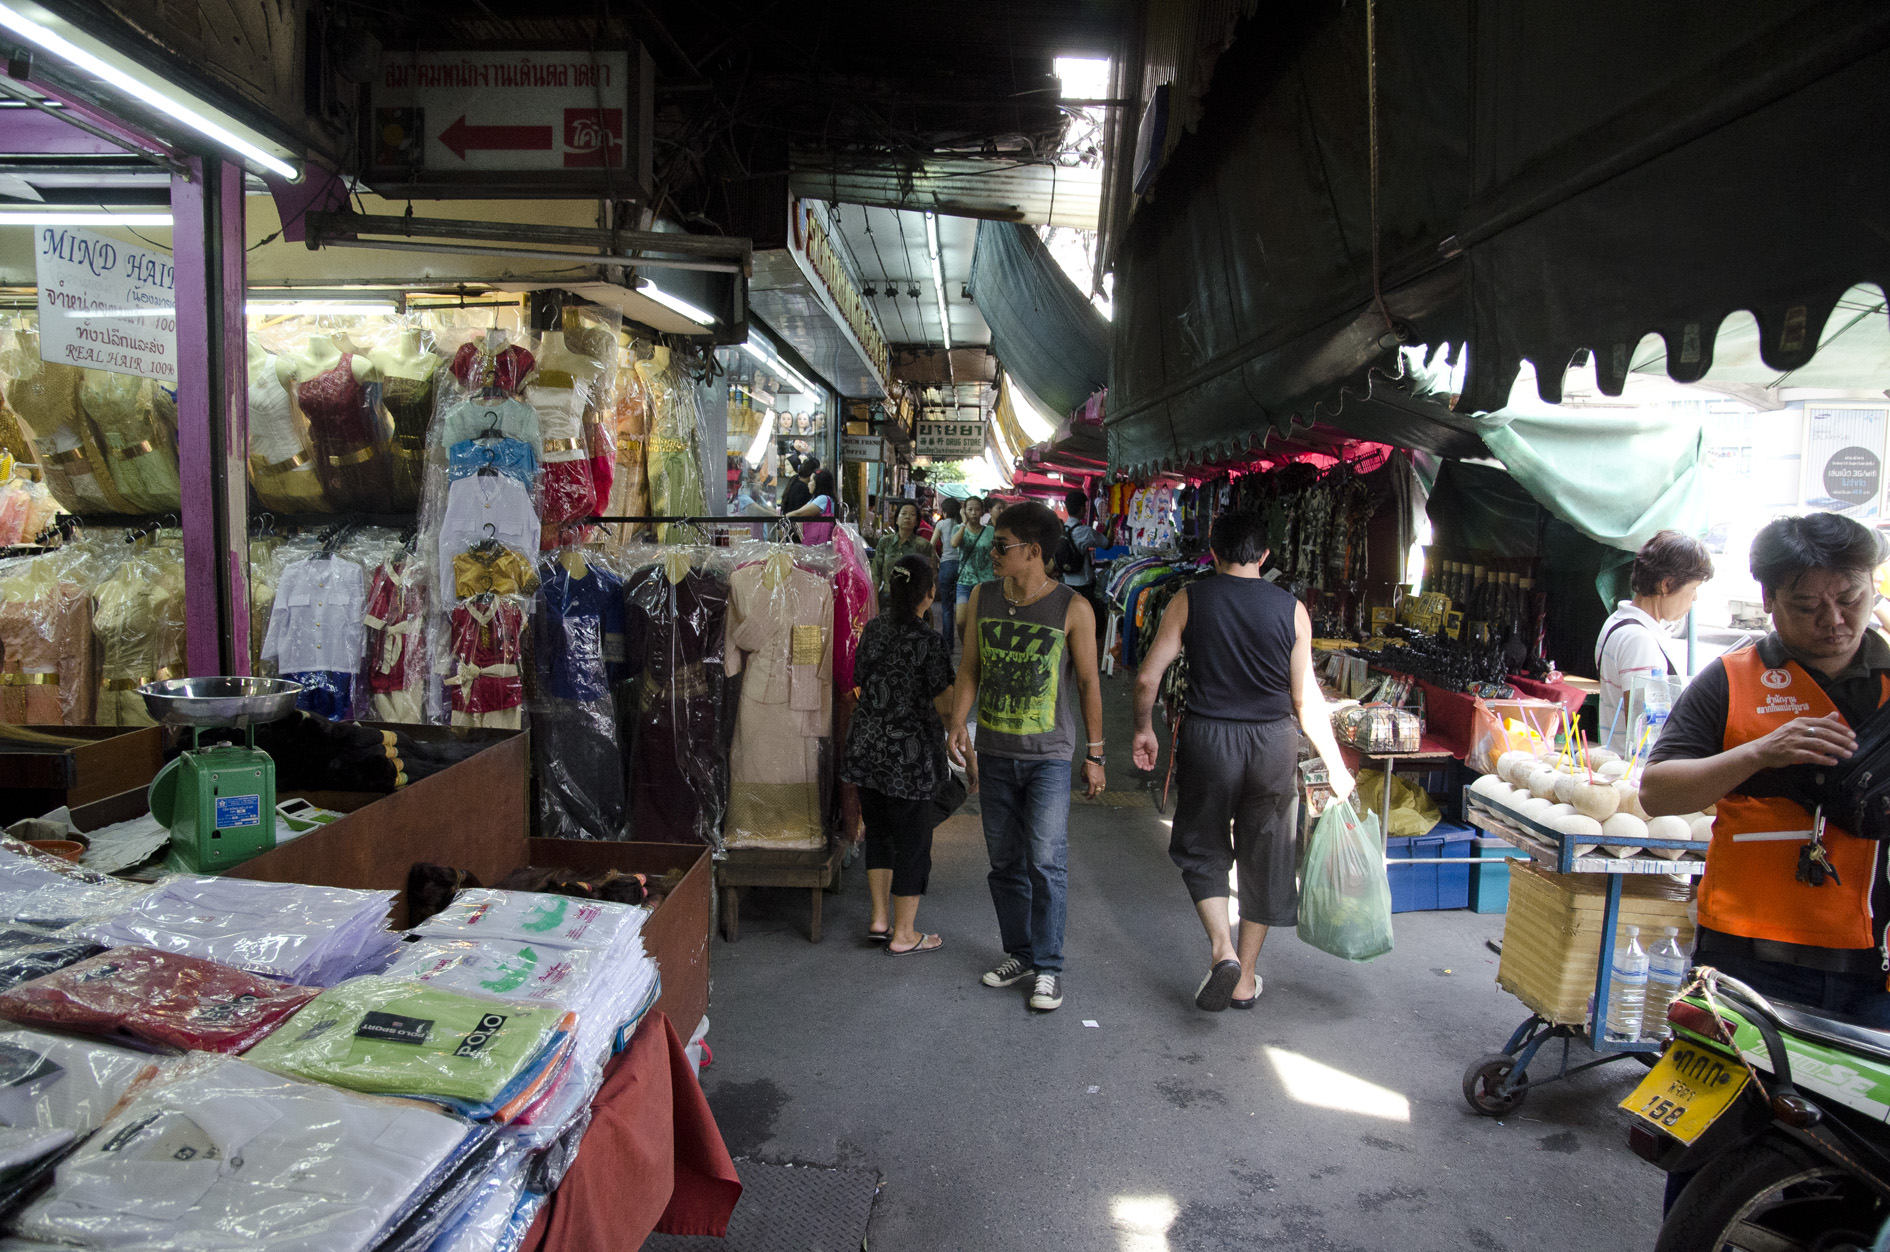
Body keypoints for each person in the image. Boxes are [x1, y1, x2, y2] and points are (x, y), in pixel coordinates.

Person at [1641, 513, 1890, 1026]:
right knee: (1746, 1078)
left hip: (1877, 963)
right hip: (1751, 953)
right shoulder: (1731, 680)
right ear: (1769, 600)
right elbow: (1657, 793)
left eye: (1850, 599)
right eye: (1807, 605)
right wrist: (1759, 752)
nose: (1834, 620)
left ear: (1873, 588)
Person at [1130, 509, 1356, 1012]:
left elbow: (1147, 678)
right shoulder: (1292, 610)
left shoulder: (1189, 599)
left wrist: (1144, 729)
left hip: (1209, 740)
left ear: (1213, 551)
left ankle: (1222, 950)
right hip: (1273, 743)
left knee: (1202, 845)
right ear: (1265, 555)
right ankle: (1245, 979)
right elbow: (1306, 700)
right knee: (1267, 856)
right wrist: (1336, 766)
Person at [948, 500, 1105, 1013]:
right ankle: (1019, 953)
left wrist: (1096, 754)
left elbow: (1089, 682)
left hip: (1049, 758)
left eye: (1001, 546)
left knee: (1045, 861)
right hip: (995, 750)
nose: (991, 553)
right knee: (1004, 862)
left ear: (1033, 552)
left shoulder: (1073, 608)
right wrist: (958, 722)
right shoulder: (983, 596)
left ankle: (1049, 967)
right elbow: (969, 669)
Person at [843, 554, 956, 955]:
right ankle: (904, 934)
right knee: (912, 841)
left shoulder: (873, 629)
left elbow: (859, 680)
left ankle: (879, 920)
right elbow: (946, 707)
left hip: (867, 748)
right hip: (910, 757)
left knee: (879, 833)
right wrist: (963, 746)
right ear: (930, 593)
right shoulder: (930, 642)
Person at [1595, 530, 1715, 753]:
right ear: (1667, 585)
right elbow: (1647, 732)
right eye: (1693, 588)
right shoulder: (1639, 640)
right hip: (1636, 768)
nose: (1695, 597)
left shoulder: (1616, 621)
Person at [1058, 488, 1105, 643]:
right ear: (1080, 508)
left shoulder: (1062, 529)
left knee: (1071, 617)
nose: (1085, 510)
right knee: (1089, 622)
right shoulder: (1085, 531)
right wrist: (1109, 526)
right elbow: (1106, 543)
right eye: (1084, 507)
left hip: (1067, 582)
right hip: (1084, 584)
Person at [953, 495, 995, 649]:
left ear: (982, 511)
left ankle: (983, 650)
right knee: (961, 621)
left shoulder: (990, 531)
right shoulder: (959, 529)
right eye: (970, 509)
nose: (973, 513)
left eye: (977, 509)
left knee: (985, 621)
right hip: (965, 582)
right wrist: (963, 523)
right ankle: (968, 649)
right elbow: (954, 543)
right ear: (964, 511)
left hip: (987, 582)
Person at [871, 502, 934, 596]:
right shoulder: (885, 542)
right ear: (896, 520)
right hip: (887, 596)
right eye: (903, 513)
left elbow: (929, 577)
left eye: (912, 514)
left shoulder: (924, 545)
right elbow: (876, 574)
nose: (907, 517)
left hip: (913, 598)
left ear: (917, 522)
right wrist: (875, 600)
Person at [933, 497, 963, 648]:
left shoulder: (941, 524)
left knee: (946, 608)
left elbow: (931, 545)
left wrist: (939, 559)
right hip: (962, 566)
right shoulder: (962, 525)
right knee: (963, 606)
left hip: (946, 564)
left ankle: (948, 645)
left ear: (944, 512)